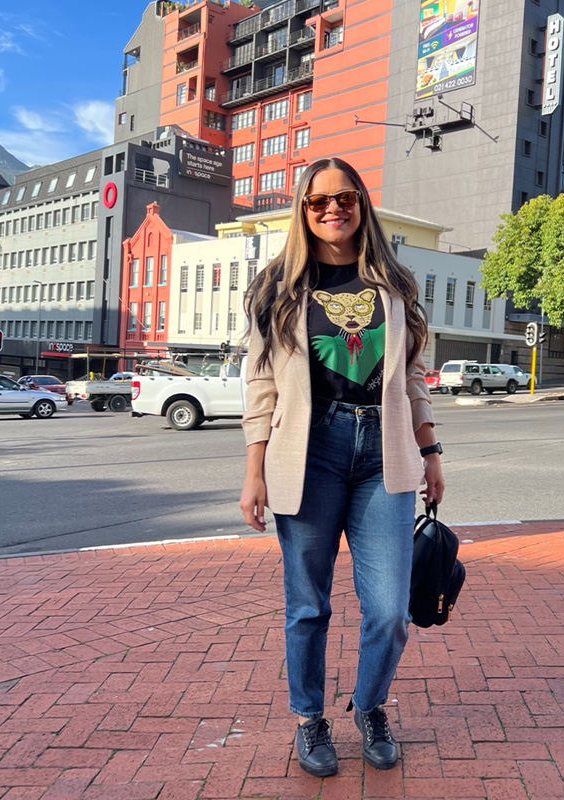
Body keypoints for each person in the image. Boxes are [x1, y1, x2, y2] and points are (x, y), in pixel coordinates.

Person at [239, 157, 445, 778]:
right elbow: (261, 384)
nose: (333, 208)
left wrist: (430, 452)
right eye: (318, 200)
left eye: (345, 197)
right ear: (302, 210)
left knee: (387, 607)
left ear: (362, 204)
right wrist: (253, 472)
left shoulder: (394, 285)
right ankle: (310, 720)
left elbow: (412, 378)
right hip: (309, 453)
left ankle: (371, 705)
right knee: (308, 606)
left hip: (385, 455)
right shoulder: (278, 285)